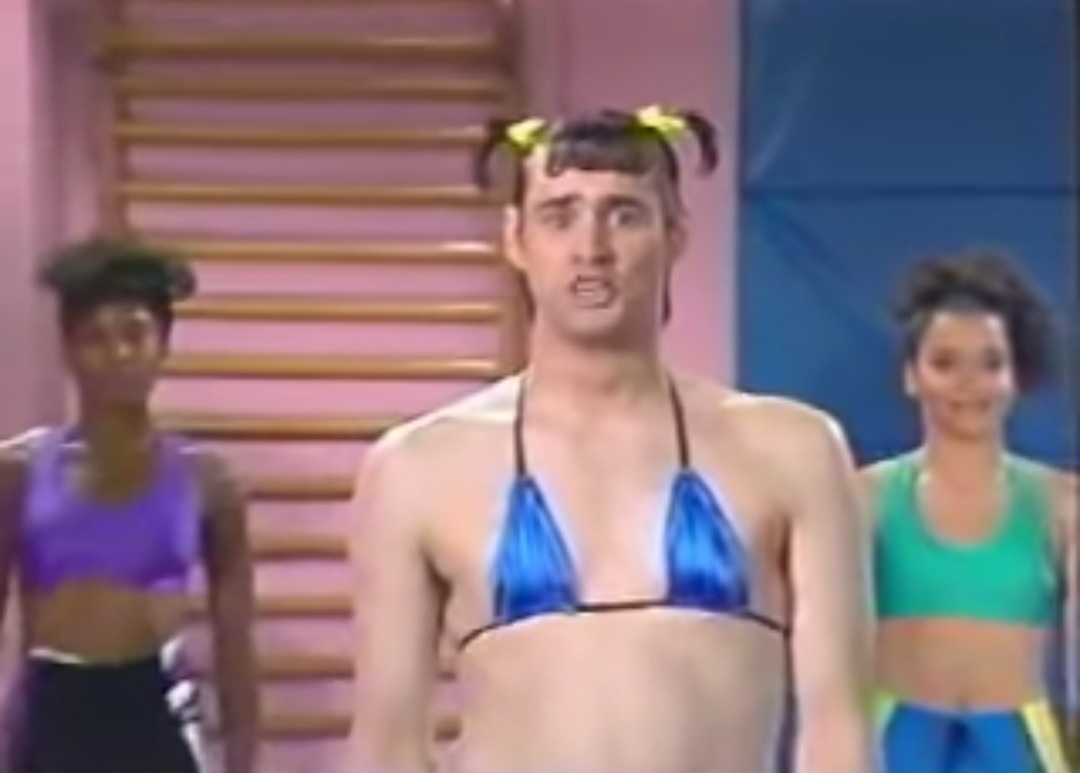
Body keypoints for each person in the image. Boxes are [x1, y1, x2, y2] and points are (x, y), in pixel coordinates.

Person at [346, 106, 875, 773]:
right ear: (515, 238)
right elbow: (386, 746)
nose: (591, 247)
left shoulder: (793, 449)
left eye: (624, 214)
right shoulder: (418, 467)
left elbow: (837, 728)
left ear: (675, 235)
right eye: (559, 215)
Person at [0, 238, 259, 773]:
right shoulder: (19, 473)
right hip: (54, 715)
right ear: (68, 349)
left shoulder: (207, 482)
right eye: (95, 338)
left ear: (163, 344)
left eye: (134, 334)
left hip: (158, 713)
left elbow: (236, 647)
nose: (118, 354)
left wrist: (243, 759)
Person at [866, 252, 1078, 773]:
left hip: (1017, 749)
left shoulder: (1063, 506)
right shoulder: (862, 497)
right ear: (912, 376)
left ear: (1016, 376)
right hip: (894, 745)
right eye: (945, 363)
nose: (969, 383)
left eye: (990, 363)